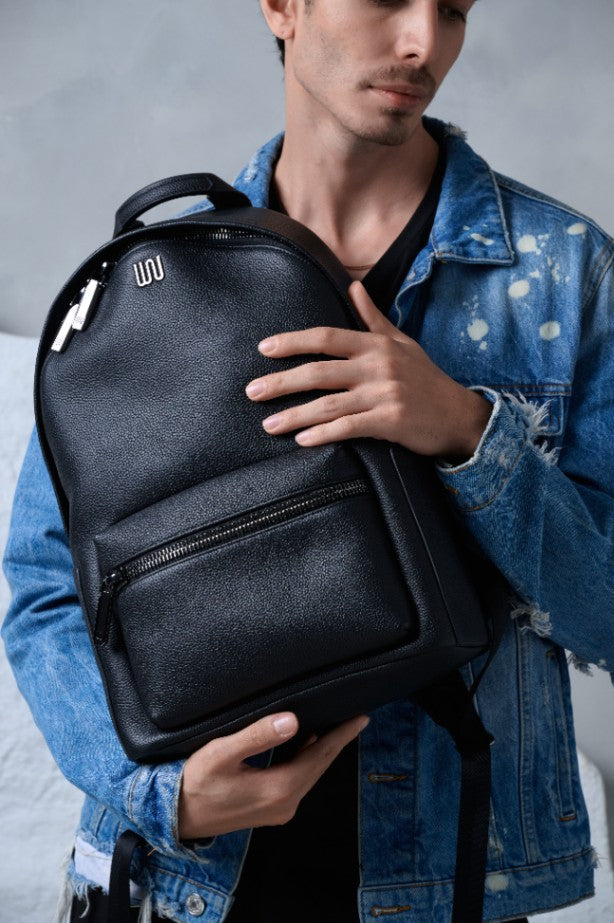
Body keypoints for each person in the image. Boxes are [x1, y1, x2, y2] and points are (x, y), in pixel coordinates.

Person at [2, 0, 613, 921]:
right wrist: (162, 796)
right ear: (282, 5)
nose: (422, 45)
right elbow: (47, 584)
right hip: (181, 882)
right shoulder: (147, 282)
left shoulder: (566, 275)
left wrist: (466, 432)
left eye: (451, 10)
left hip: (448, 880)